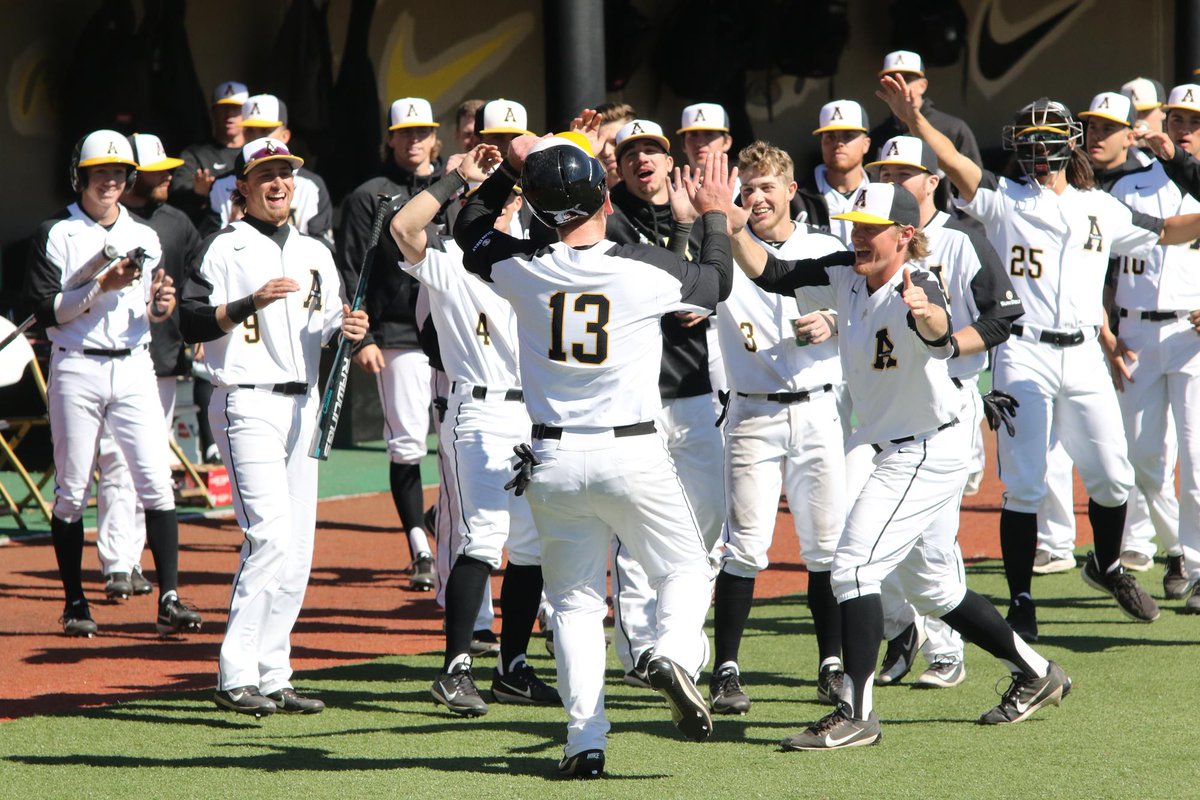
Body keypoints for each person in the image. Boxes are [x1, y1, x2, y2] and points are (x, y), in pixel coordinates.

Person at [730, 181, 1070, 749]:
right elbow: (774, 273)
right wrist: (732, 225)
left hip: (928, 447)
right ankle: (1037, 673)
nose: (858, 235)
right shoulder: (846, 273)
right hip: (899, 444)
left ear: (905, 235)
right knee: (936, 589)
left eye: (871, 227)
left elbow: (938, 332)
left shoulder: (920, 283)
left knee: (853, 569)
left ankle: (857, 714)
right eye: (855, 224)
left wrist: (933, 322)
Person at [454, 127, 734, 778]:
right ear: (606, 198)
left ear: (534, 205)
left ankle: (584, 743)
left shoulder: (521, 268)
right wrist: (715, 214)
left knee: (577, 603)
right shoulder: (641, 267)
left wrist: (507, 176)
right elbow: (714, 283)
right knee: (686, 569)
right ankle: (670, 653)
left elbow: (471, 226)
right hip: (633, 451)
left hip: (550, 459)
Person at [878, 75, 1200, 638]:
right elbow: (953, 161)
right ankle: (1022, 599)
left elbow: (1171, 229)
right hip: (1022, 352)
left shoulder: (1101, 206)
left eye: (1045, 136)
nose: (1035, 146)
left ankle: (1106, 564)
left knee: (1114, 479)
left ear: (1066, 143)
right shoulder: (1006, 197)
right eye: (1028, 137)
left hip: (1083, 355)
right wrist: (915, 119)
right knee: (1024, 484)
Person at [180, 136, 368, 717]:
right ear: (241, 186)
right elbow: (190, 322)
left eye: (285, 171)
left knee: (300, 547)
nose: (278, 182)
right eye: (265, 173)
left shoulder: (315, 250)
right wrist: (246, 304)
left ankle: (274, 671)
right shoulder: (222, 246)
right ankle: (234, 673)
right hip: (246, 402)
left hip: (303, 403)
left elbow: (328, 328)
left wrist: (348, 330)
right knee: (269, 537)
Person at [389, 143, 558, 717]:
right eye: (501, 205)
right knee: (481, 539)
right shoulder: (453, 265)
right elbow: (402, 226)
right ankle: (455, 667)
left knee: (532, 549)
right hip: (477, 412)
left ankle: (512, 667)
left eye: (518, 203)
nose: (512, 210)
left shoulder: (537, 267)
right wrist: (454, 178)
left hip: (533, 417)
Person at [25, 129, 202, 638]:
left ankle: (168, 596)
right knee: (72, 490)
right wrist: (101, 285)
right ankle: (75, 601)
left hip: (134, 364)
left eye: (119, 173)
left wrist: (162, 306)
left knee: (155, 479)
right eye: (100, 172)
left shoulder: (145, 234)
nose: (110, 182)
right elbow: (47, 314)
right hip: (76, 363)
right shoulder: (55, 232)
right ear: (80, 176)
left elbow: (153, 309)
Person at [868, 135, 1024, 687]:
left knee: (934, 538)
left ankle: (946, 651)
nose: (892, 181)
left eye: (904, 173)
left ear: (932, 181)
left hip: (946, 406)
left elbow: (1004, 314)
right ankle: (899, 637)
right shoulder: (870, 240)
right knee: (875, 541)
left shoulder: (961, 239)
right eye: (883, 172)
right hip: (885, 408)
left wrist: (953, 348)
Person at [707, 140, 848, 714]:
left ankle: (831, 663)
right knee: (745, 547)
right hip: (753, 409)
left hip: (818, 408)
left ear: (792, 190)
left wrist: (834, 320)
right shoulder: (722, 249)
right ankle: (726, 670)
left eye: (768, 185)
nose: (757, 195)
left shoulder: (826, 246)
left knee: (826, 546)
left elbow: (865, 306)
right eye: (749, 185)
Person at [603, 118, 725, 685]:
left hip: (696, 390)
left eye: (651, 149)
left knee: (703, 530)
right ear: (619, 165)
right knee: (637, 530)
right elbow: (673, 284)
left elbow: (717, 286)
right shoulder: (609, 218)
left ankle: (679, 646)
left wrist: (694, 226)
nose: (642, 159)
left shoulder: (700, 211)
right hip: (639, 398)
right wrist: (682, 231)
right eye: (631, 152)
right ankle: (640, 654)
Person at [1086, 90, 1200, 610]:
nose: (1183, 128)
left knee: (1196, 460)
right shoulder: (1128, 185)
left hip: (1192, 336)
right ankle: (1177, 548)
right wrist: (1105, 328)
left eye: (1194, 121)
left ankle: (1196, 569)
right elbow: (1099, 264)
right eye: (1176, 118)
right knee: (1143, 461)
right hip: (1134, 335)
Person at [338, 97, 442, 590]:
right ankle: (419, 547)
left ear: (435, 138)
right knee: (407, 444)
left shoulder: (456, 189)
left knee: (463, 440)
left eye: (423, 131)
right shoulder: (369, 195)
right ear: (391, 138)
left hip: (452, 334)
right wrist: (366, 338)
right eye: (406, 132)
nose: (415, 140)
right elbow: (354, 267)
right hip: (398, 333)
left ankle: (445, 522)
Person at [95, 133, 202, 602]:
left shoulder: (178, 223)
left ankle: (133, 556)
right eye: (159, 172)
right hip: (108, 357)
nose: (168, 178)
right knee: (116, 460)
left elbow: (200, 280)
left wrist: (195, 332)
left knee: (150, 464)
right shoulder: (106, 224)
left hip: (160, 357)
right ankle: (119, 561)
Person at [204, 94, 334, 247]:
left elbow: (323, 247)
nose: (258, 138)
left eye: (265, 131)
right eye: (250, 130)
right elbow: (209, 245)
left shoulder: (311, 185)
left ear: (285, 136)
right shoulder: (221, 185)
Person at [170, 80, 248, 226]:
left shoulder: (254, 152)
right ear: (213, 112)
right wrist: (198, 193)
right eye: (223, 107)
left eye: (236, 108)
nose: (229, 114)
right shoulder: (194, 153)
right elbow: (176, 198)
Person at [804, 99, 872, 246]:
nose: (838, 143)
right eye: (830, 136)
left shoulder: (882, 192)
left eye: (848, 136)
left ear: (866, 144)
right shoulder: (797, 197)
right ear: (822, 143)